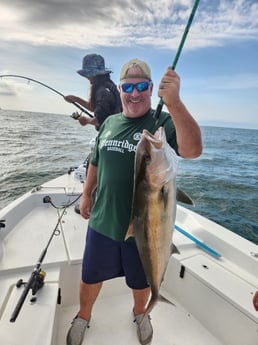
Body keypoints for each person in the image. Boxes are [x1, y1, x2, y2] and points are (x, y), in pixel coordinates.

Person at [66, 58, 202, 345]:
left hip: (145, 230)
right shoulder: (110, 122)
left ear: (151, 88)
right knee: (90, 276)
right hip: (103, 220)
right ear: (120, 88)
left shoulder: (162, 121)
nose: (135, 93)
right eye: (128, 87)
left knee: (141, 281)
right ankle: (83, 316)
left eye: (142, 86)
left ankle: (142, 313)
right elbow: (96, 160)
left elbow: (192, 149)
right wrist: (88, 194)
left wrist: (174, 102)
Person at [64, 53, 122, 130]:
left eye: (87, 74)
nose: (87, 77)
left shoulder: (102, 91)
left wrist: (86, 120)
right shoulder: (109, 86)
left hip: (111, 134)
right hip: (116, 130)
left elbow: (99, 120)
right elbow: (94, 108)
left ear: (92, 74)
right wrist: (75, 99)